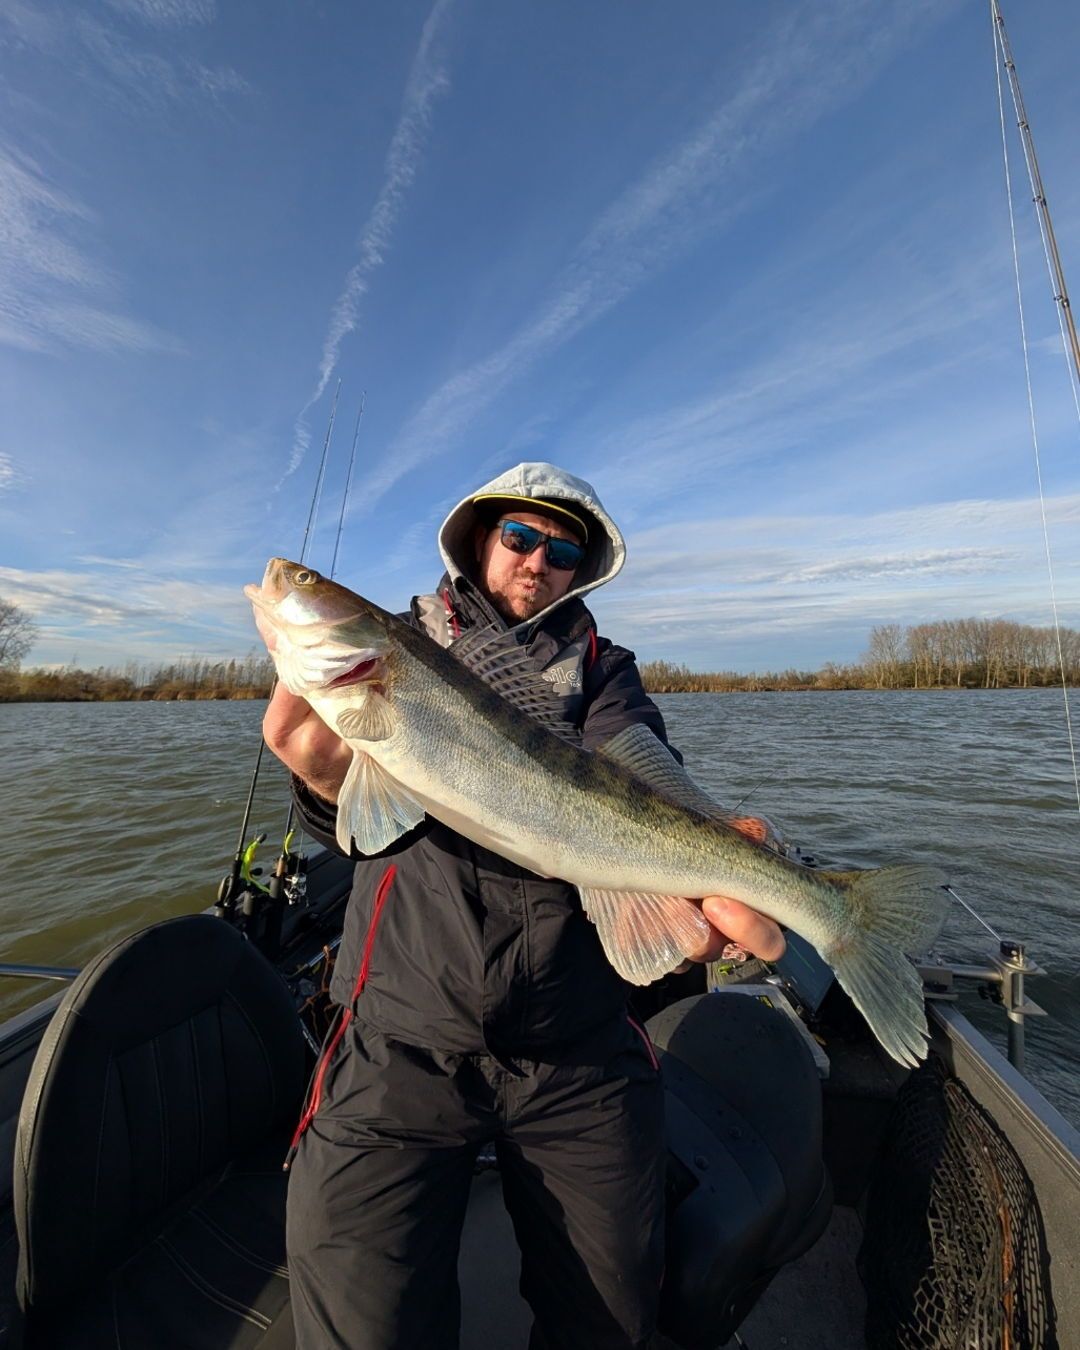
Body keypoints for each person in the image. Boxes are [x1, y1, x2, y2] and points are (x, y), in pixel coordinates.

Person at [263, 462, 785, 1350]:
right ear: (479, 539)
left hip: (575, 1042)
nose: (538, 560)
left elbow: (636, 767)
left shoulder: (606, 672)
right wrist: (321, 785)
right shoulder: (402, 643)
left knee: (612, 1314)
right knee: (360, 1313)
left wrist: (700, 883)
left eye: (564, 548)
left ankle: (832, 913)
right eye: (520, 536)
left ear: (582, 570)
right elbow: (358, 820)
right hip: (399, 1032)